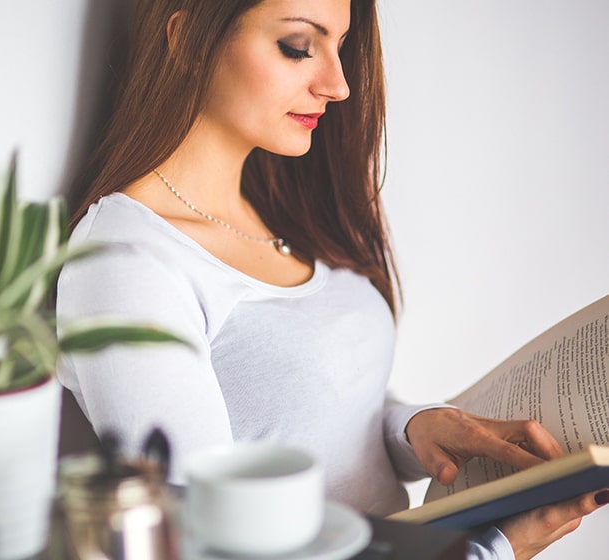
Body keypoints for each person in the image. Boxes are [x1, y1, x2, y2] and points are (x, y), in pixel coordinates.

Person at [55, 1, 608, 558]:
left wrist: (413, 428)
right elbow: (210, 538)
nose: (339, 85)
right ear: (186, 40)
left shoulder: (277, 213)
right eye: (298, 46)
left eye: (340, 46)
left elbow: (305, 409)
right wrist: (491, 552)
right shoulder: (126, 261)